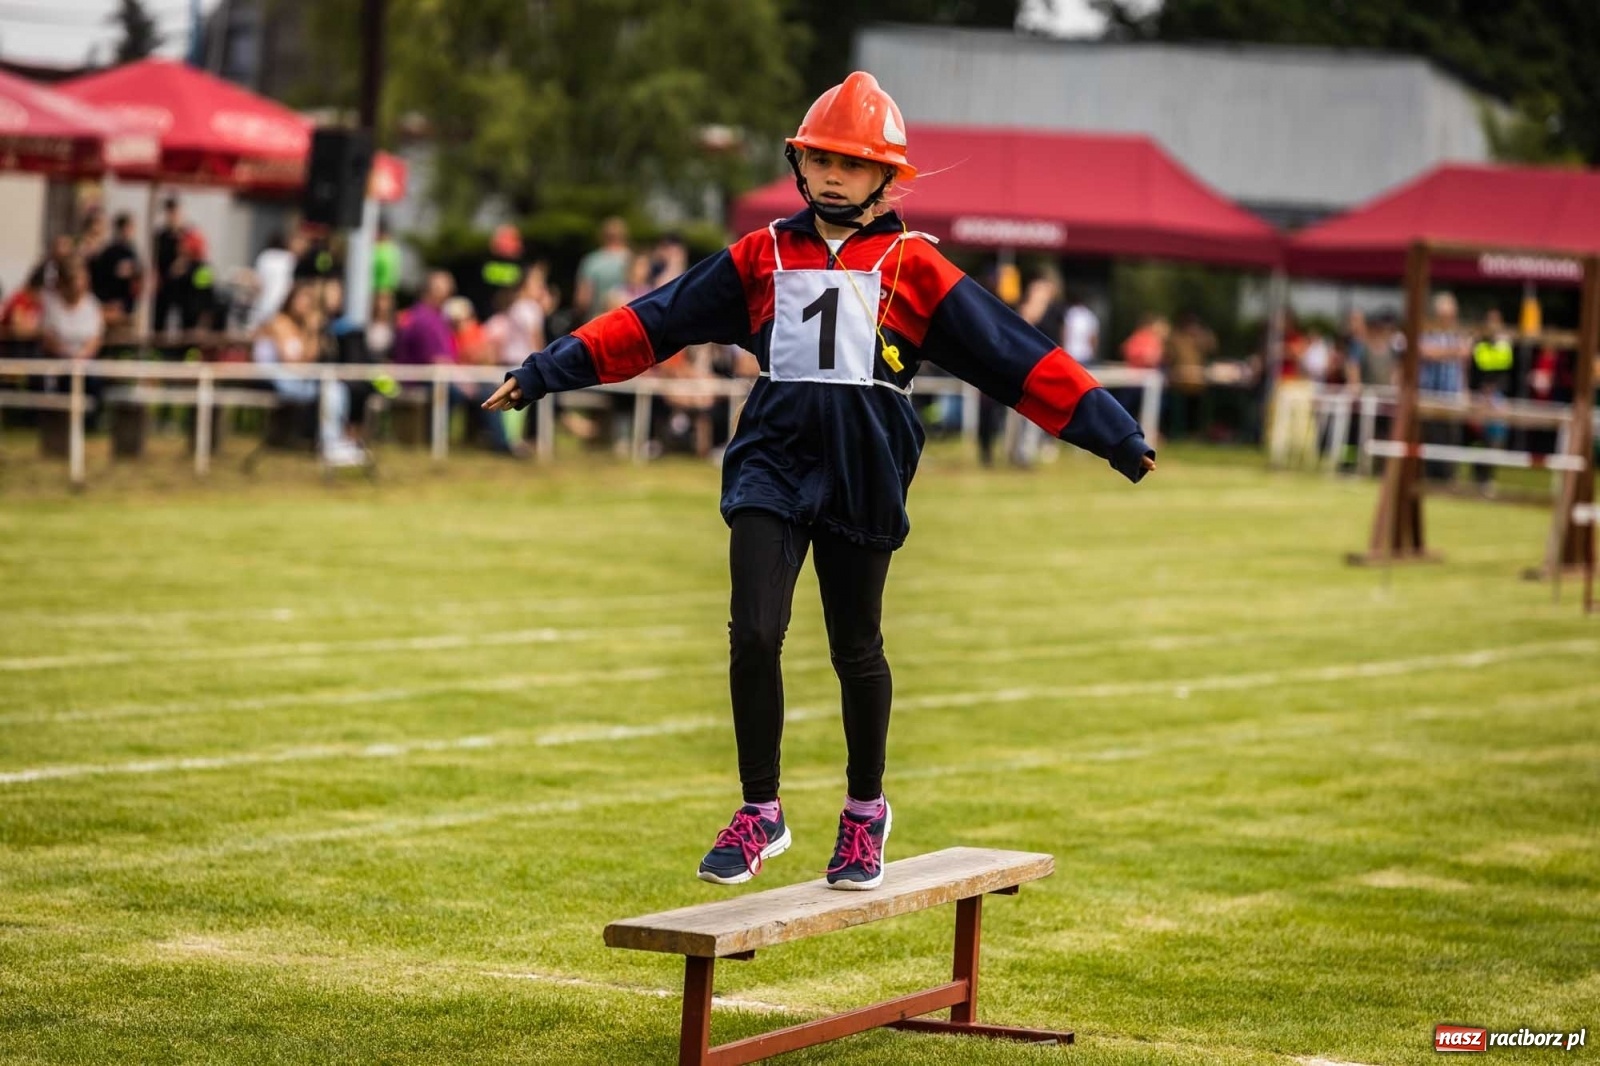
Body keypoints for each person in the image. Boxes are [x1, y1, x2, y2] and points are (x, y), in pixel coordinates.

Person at [485, 72, 1156, 891]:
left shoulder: (916, 266)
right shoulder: (760, 253)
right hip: (771, 459)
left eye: (851, 162)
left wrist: (1112, 430)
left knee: (855, 647)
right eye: (819, 159)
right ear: (798, 166)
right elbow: (655, 321)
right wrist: (546, 370)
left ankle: (865, 812)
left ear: (885, 176)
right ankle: (759, 810)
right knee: (755, 633)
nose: (833, 175)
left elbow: (1014, 355)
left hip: (864, 470)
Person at [573, 216, 631, 323]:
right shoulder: (633, 259)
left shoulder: (592, 261)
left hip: (598, 319)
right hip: (628, 320)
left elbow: (582, 300)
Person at [89, 212, 141, 328]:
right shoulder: (110, 252)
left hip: (126, 305)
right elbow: (102, 278)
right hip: (113, 304)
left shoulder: (131, 250)